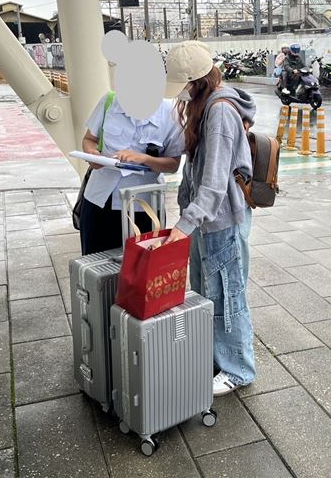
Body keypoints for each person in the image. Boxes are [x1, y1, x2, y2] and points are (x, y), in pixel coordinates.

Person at [163, 41, 257, 397]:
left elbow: (215, 180)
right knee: (207, 291)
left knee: (226, 294)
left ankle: (238, 369)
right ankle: (220, 358)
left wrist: (184, 224)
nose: (181, 95)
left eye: (183, 86)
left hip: (219, 220)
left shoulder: (218, 113)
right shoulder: (208, 105)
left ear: (196, 81)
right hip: (208, 219)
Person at [79, 95, 184, 255]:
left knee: (140, 267)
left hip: (142, 206)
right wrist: (92, 154)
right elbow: (89, 139)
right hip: (99, 199)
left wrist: (144, 158)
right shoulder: (109, 101)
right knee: (94, 263)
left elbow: (173, 164)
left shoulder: (170, 112)